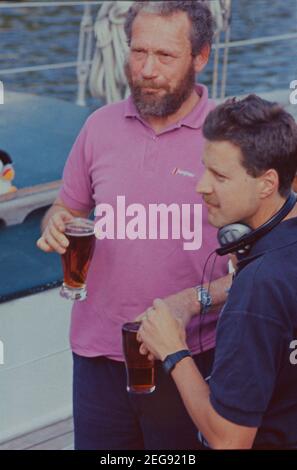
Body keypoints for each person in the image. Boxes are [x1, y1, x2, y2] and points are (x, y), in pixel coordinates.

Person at [37, 1, 232, 450]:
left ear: (200, 57)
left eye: (164, 56)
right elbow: (66, 206)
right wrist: (57, 223)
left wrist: (191, 303)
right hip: (97, 357)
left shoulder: (227, 136)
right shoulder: (97, 126)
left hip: (191, 357)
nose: (146, 69)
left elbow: (263, 262)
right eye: (137, 52)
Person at [138, 94, 297, 449]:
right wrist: (195, 300)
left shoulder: (258, 288)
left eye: (220, 176)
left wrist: (173, 350)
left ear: (267, 184)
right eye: (204, 168)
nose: (201, 186)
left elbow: (229, 440)